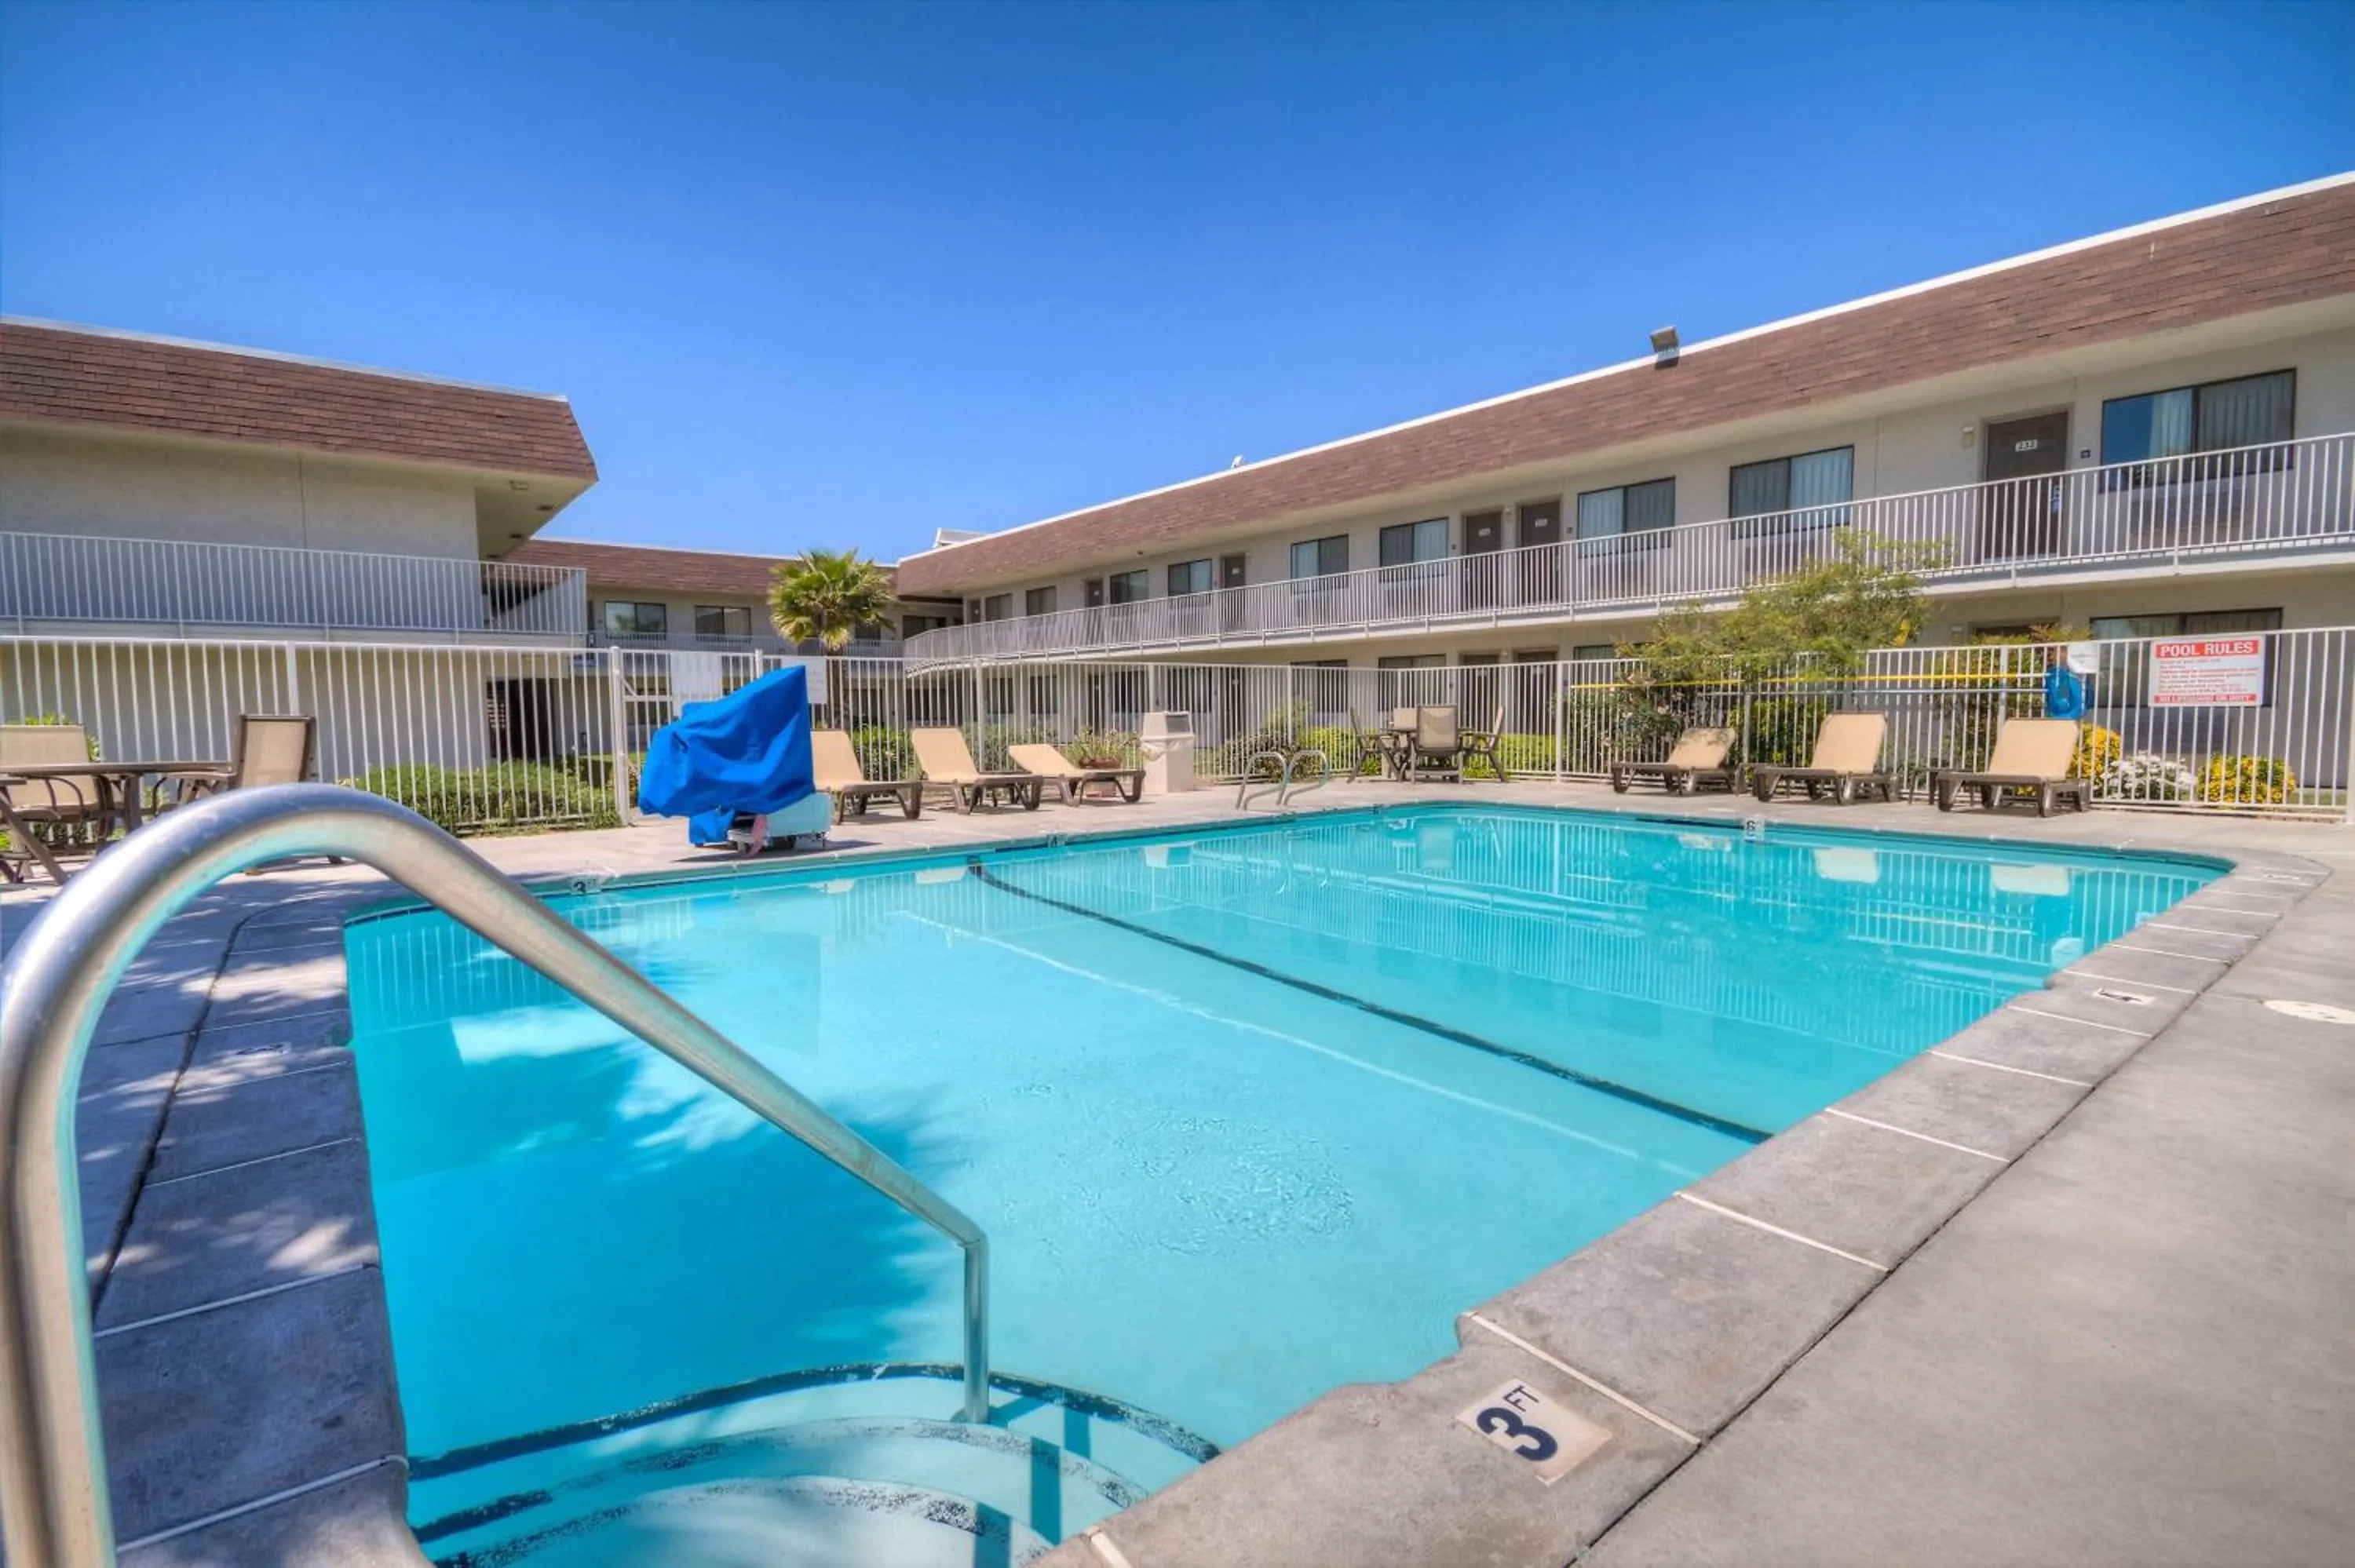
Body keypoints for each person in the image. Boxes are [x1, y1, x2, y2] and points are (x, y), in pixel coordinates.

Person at [2043, 646, 2087, 720]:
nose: (2054, 656)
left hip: (2070, 711)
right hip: (2057, 712)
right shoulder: (2052, 673)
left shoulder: (2074, 672)